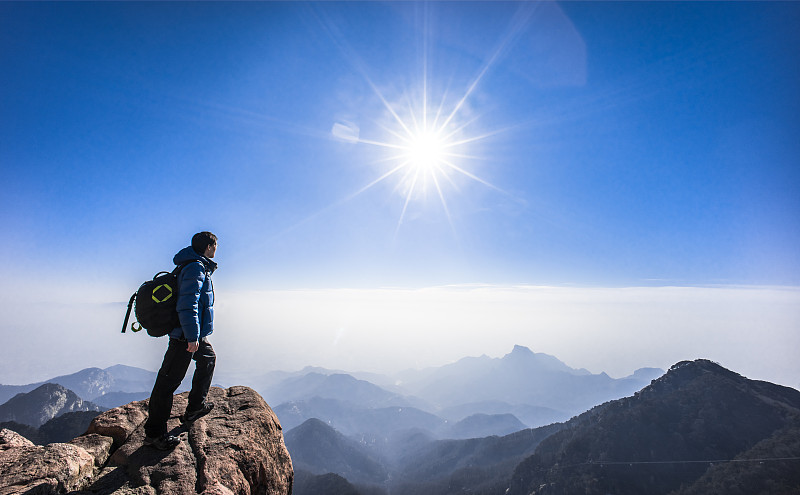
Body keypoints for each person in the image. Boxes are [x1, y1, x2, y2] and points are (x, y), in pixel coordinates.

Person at [144, 231, 218, 450]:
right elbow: (188, 305)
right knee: (167, 383)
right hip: (184, 336)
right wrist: (192, 336)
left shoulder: (197, 265)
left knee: (208, 359)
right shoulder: (195, 267)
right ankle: (155, 434)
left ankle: (196, 406)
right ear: (208, 247)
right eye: (215, 246)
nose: (216, 250)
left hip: (193, 334)